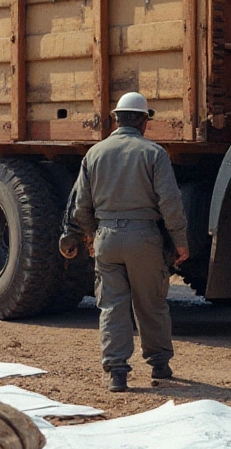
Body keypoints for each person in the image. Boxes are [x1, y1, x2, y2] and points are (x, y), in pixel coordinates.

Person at [60, 92, 190, 392]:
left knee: (112, 307)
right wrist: (180, 241)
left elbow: (80, 206)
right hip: (144, 238)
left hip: (107, 238)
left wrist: (94, 234)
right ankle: (159, 364)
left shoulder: (94, 154)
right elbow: (170, 202)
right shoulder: (154, 153)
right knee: (151, 303)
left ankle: (117, 373)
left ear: (116, 119)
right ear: (144, 120)